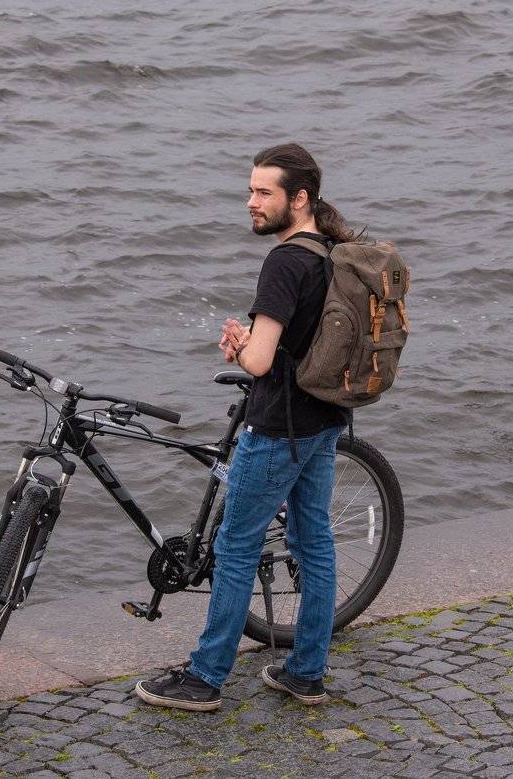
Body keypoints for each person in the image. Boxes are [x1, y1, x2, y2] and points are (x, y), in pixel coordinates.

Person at [135, 142, 358, 711]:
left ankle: (205, 678)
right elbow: (301, 341)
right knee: (315, 543)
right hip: (323, 419)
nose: (251, 202)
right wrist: (257, 344)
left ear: (299, 198)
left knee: (235, 549)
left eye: (263, 192)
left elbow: (259, 362)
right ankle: (306, 672)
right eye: (249, 190)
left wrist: (239, 347)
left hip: (278, 427)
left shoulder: (284, 262)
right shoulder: (331, 252)